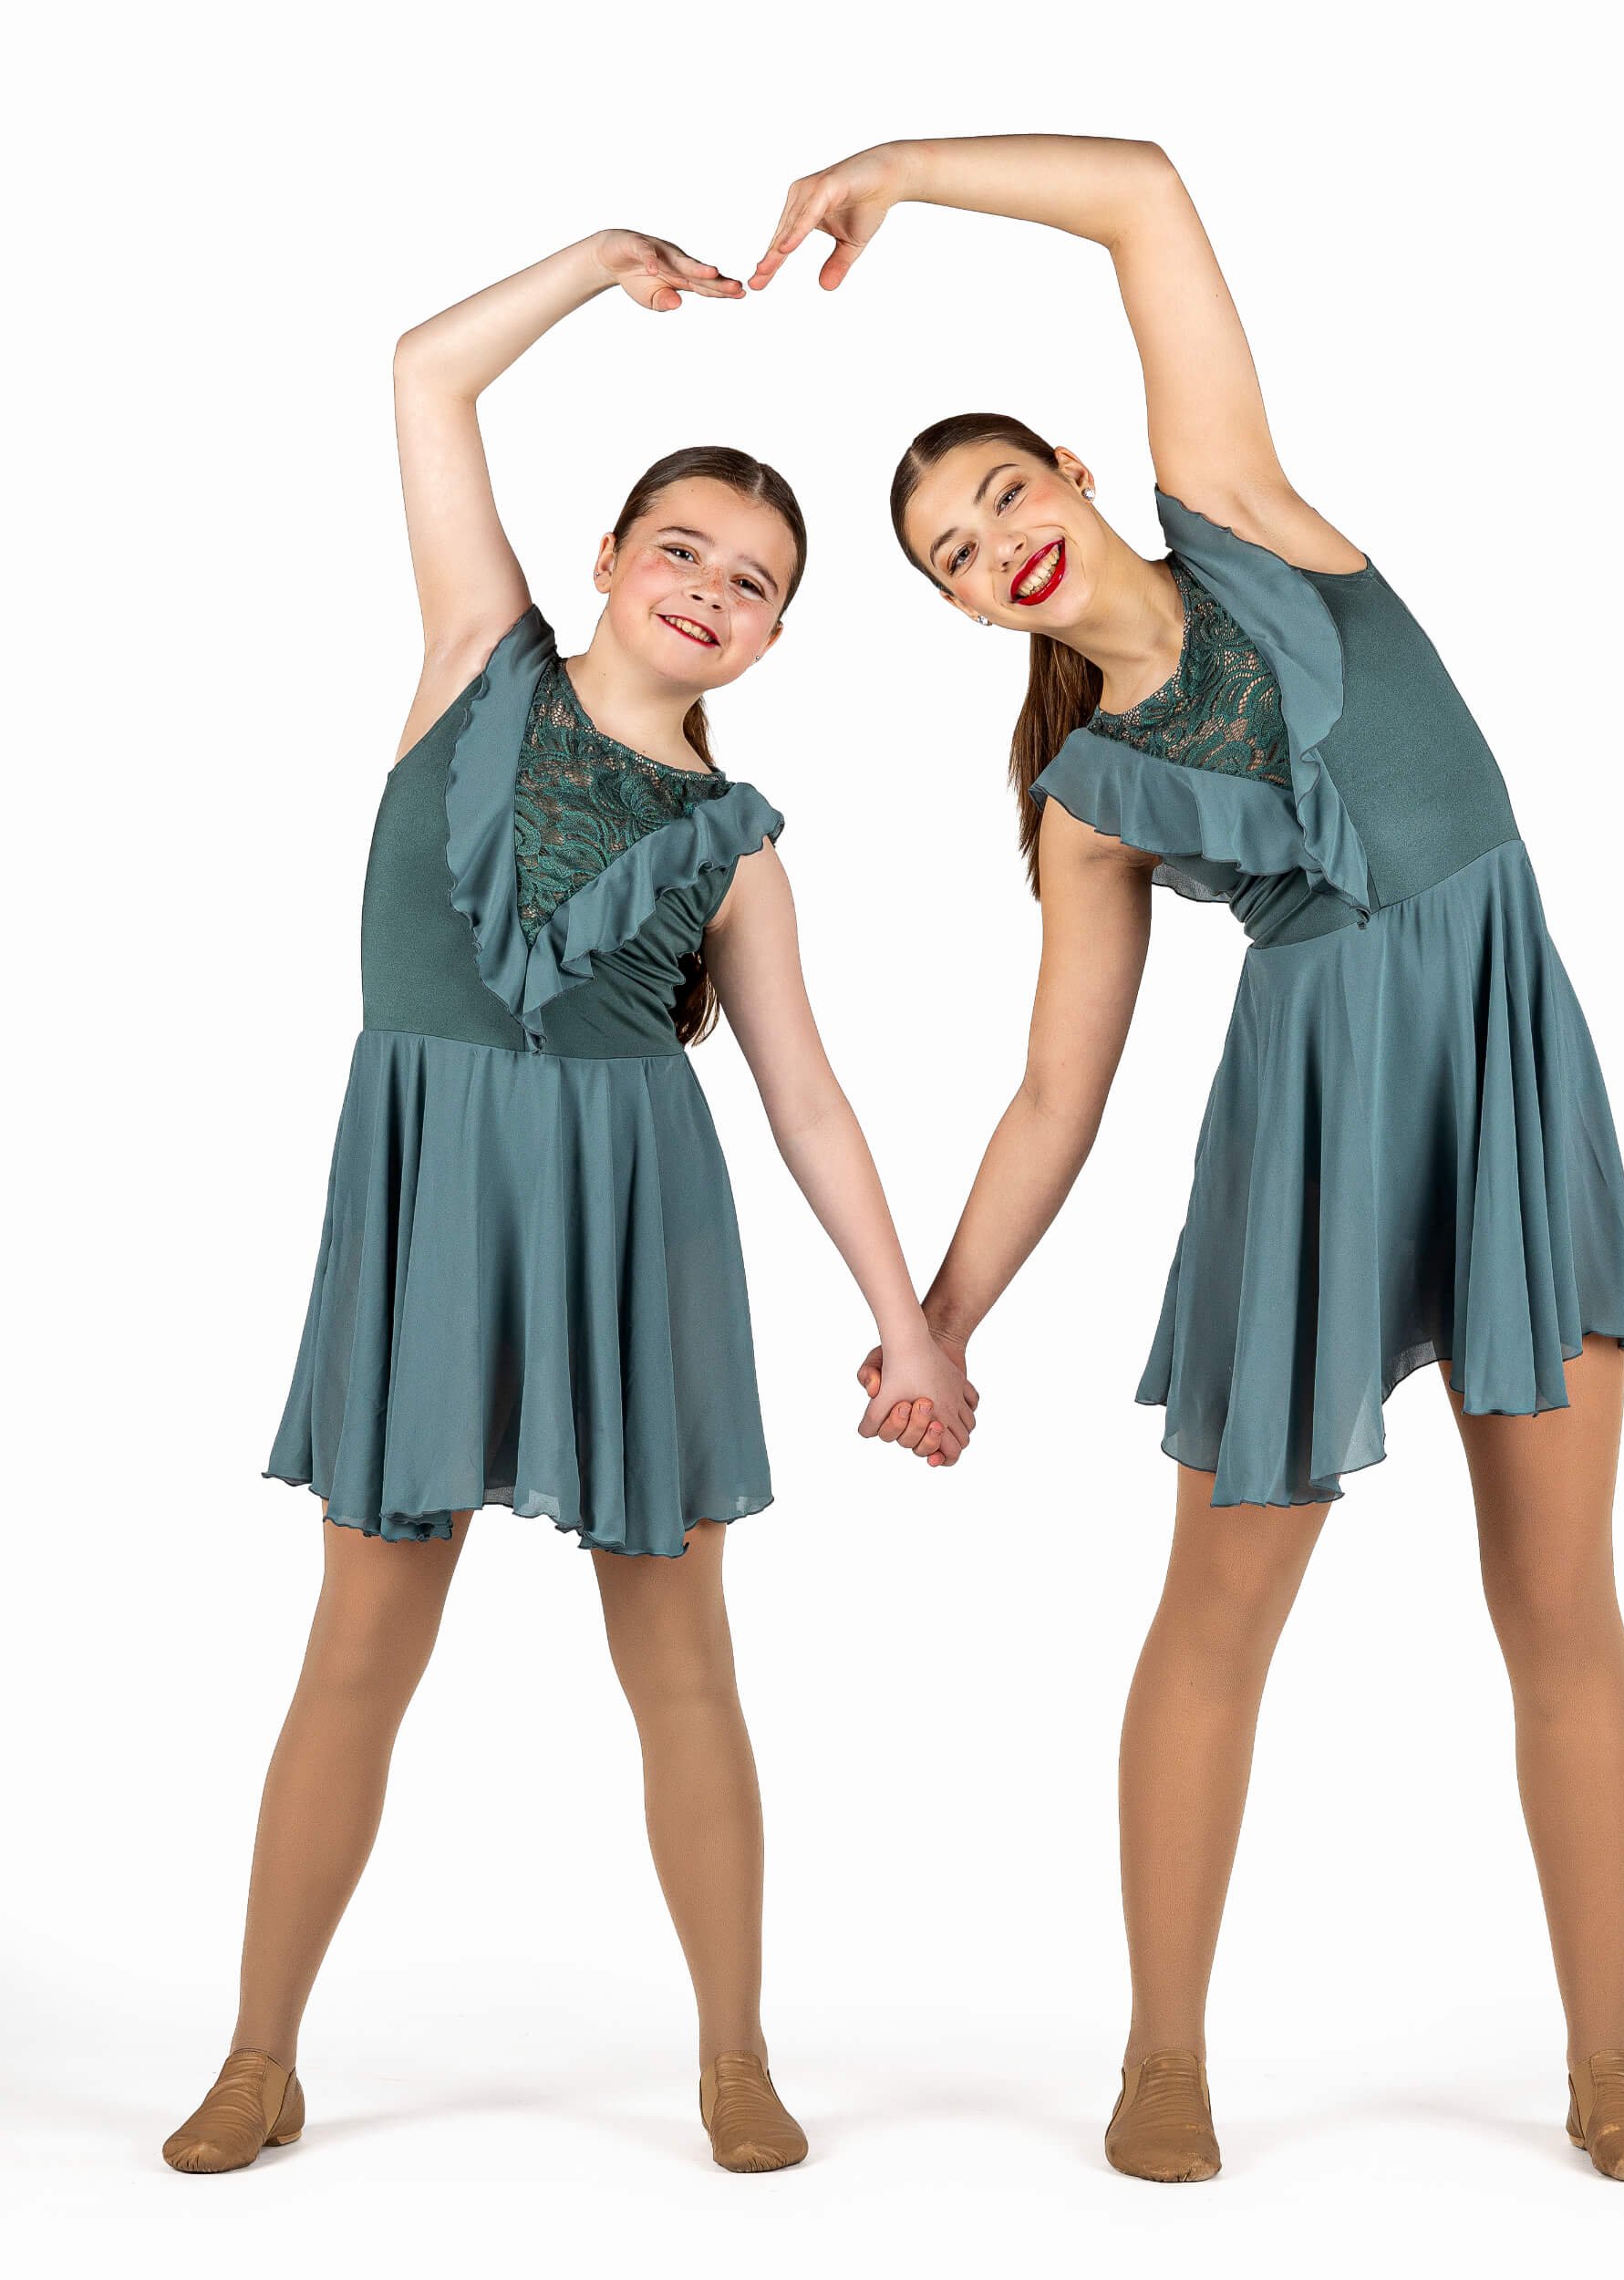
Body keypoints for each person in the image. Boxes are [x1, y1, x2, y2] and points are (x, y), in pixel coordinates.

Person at [753, 135, 1624, 2186]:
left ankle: (1608, 2056)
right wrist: (931, 1318)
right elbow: (1052, 1098)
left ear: (1081, 476)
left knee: (1559, 1596)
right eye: (939, 550)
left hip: (1505, 1082)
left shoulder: (1254, 521)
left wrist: (900, 166)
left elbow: (1147, 195)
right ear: (943, 603)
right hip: (1304, 1143)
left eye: (1001, 490)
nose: (986, 540)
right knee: (1218, 1613)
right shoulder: (1088, 793)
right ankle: (1160, 2051)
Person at [162, 225, 974, 2179]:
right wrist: (597, 267)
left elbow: (803, 1094)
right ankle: (259, 2050)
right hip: (433, 1198)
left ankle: (732, 2051)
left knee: (678, 1652)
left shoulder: (738, 841)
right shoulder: (476, 658)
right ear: (608, 558)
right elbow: (426, 372)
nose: (710, 589)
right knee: (358, 1638)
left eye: (756, 584)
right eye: (683, 548)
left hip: (634, 1217)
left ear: (775, 642)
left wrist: (912, 1316)